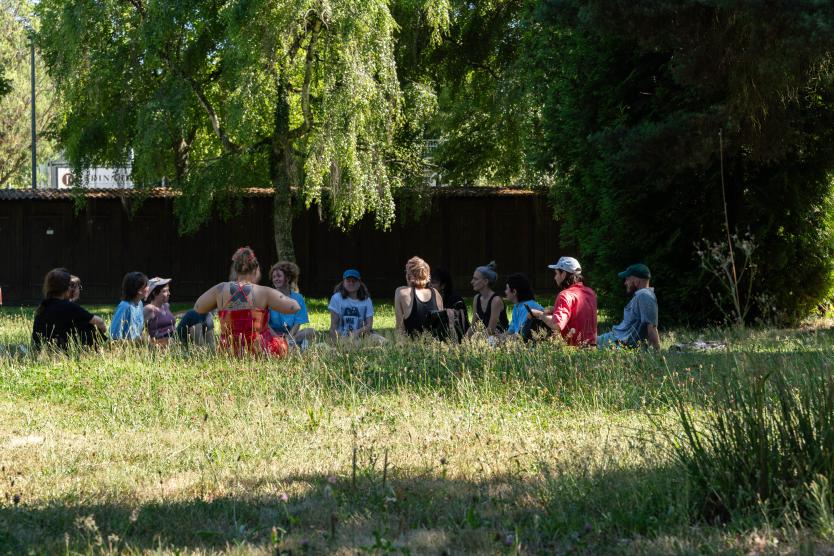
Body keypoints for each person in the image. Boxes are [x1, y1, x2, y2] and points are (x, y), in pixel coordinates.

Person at [192, 247, 299, 356]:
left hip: (229, 352)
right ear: (256, 269)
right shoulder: (263, 291)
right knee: (282, 345)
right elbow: (294, 307)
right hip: (259, 351)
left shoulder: (220, 289)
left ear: (235, 269)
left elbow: (198, 307)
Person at [32, 268, 106, 351]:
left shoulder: (43, 305)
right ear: (66, 287)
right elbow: (100, 323)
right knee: (89, 326)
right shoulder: (68, 307)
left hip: (42, 349)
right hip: (61, 351)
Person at [529, 257, 598, 347]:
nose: (555, 277)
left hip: (574, 350)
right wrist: (554, 310)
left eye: (556, 273)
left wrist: (539, 315)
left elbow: (557, 325)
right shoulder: (590, 292)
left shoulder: (564, 295)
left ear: (564, 274)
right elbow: (579, 312)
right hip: (592, 348)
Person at [597, 263, 660, 350]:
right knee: (585, 341)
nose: (625, 283)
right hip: (616, 338)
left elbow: (652, 327)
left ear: (636, 280)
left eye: (627, 279)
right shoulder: (642, 295)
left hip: (619, 342)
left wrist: (657, 353)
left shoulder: (644, 296)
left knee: (584, 344)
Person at [394, 256, 446, 338]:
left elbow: (400, 329)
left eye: (406, 272)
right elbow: (441, 326)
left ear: (409, 275)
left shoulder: (401, 292)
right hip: (434, 347)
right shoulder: (436, 294)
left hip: (413, 348)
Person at [268, 261, 315, 348]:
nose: (275, 279)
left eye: (279, 276)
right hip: (272, 334)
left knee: (311, 331)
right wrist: (277, 338)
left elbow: (298, 322)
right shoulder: (268, 297)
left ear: (288, 278)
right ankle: (292, 345)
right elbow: (265, 324)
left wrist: (289, 337)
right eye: (274, 277)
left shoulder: (298, 298)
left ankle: (290, 344)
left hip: (291, 335)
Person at [329, 269, 385, 343]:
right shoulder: (336, 298)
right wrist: (335, 343)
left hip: (362, 336)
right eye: (348, 280)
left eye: (354, 281)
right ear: (343, 282)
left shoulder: (367, 300)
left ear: (359, 283)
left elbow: (369, 325)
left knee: (385, 342)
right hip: (342, 337)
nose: (351, 283)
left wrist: (357, 332)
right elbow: (334, 325)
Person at [468, 261, 508, 337]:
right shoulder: (477, 298)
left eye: (475, 279)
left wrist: (476, 341)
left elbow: (490, 330)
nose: (472, 282)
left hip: (500, 339)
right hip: (486, 338)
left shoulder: (496, 300)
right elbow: (473, 326)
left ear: (485, 281)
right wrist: (463, 342)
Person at [429, 267, 469, 338]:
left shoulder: (455, 299)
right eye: (429, 282)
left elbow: (459, 324)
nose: (430, 285)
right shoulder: (430, 296)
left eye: (433, 283)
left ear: (443, 285)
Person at [110, 271, 149, 341]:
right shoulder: (125, 307)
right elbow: (114, 335)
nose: (148, 288)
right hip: (125, 348)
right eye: (146, 286)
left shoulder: (140, 304)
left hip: (137, 347)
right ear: (139, 290)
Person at [144, 277, 176, 347]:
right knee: (192, 315)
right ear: (155, 293)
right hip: (161, 344)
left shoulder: (166, 306)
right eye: (165, 291)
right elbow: (140, 332)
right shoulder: (149, 309)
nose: (169, 293)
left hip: (174, 339)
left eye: (168, 290)